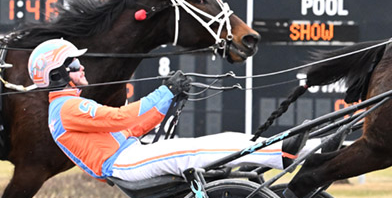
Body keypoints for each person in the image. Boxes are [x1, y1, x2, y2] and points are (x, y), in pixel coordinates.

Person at [28, 38, 310, 182]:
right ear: (58, 75)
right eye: (75, 64)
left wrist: (167, 100)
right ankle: (282, 154)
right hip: (124, 163)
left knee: (218, 140)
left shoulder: (68, 107)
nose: (82, 66)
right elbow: (119, 118)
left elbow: (132, 128)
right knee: (191, 152)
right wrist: (164, 91)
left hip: (129, 153)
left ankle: (292, 150)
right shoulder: (66, 108)